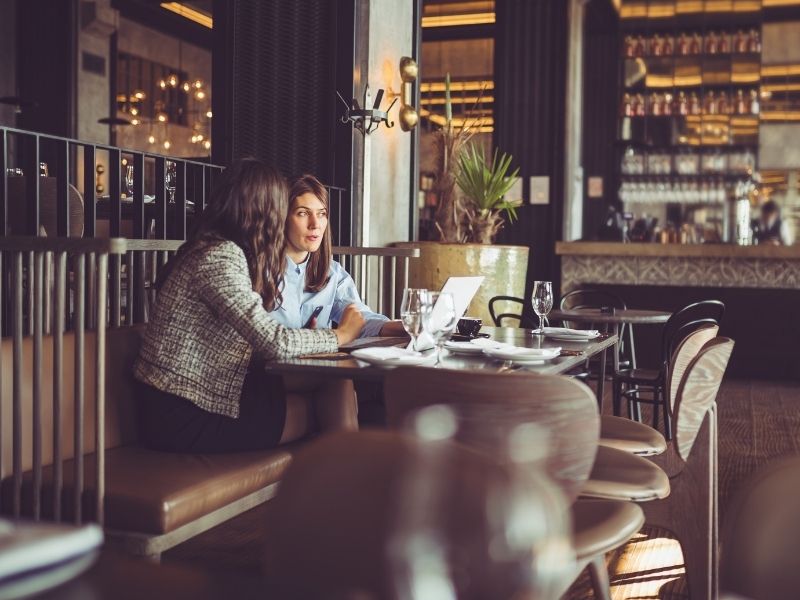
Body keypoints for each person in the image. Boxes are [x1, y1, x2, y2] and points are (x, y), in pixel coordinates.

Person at [133, 159, 365, 453]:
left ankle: (347, 484)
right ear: (263, 209)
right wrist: (341, 335)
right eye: (282, 206)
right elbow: (274, 341)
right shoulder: (219, 257)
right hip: (181, 412)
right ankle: (348, 484)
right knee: (321, 410)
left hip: (211, 391)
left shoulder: (222, 250)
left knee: (335, 380)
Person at [270, 174, 406, 337]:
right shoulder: (260, 273)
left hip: (317, 363)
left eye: (321, 214)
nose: (315, 225)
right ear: (282, 218)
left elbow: (361, 319)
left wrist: (410, 327)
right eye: (303, 213)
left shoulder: (333, 273)